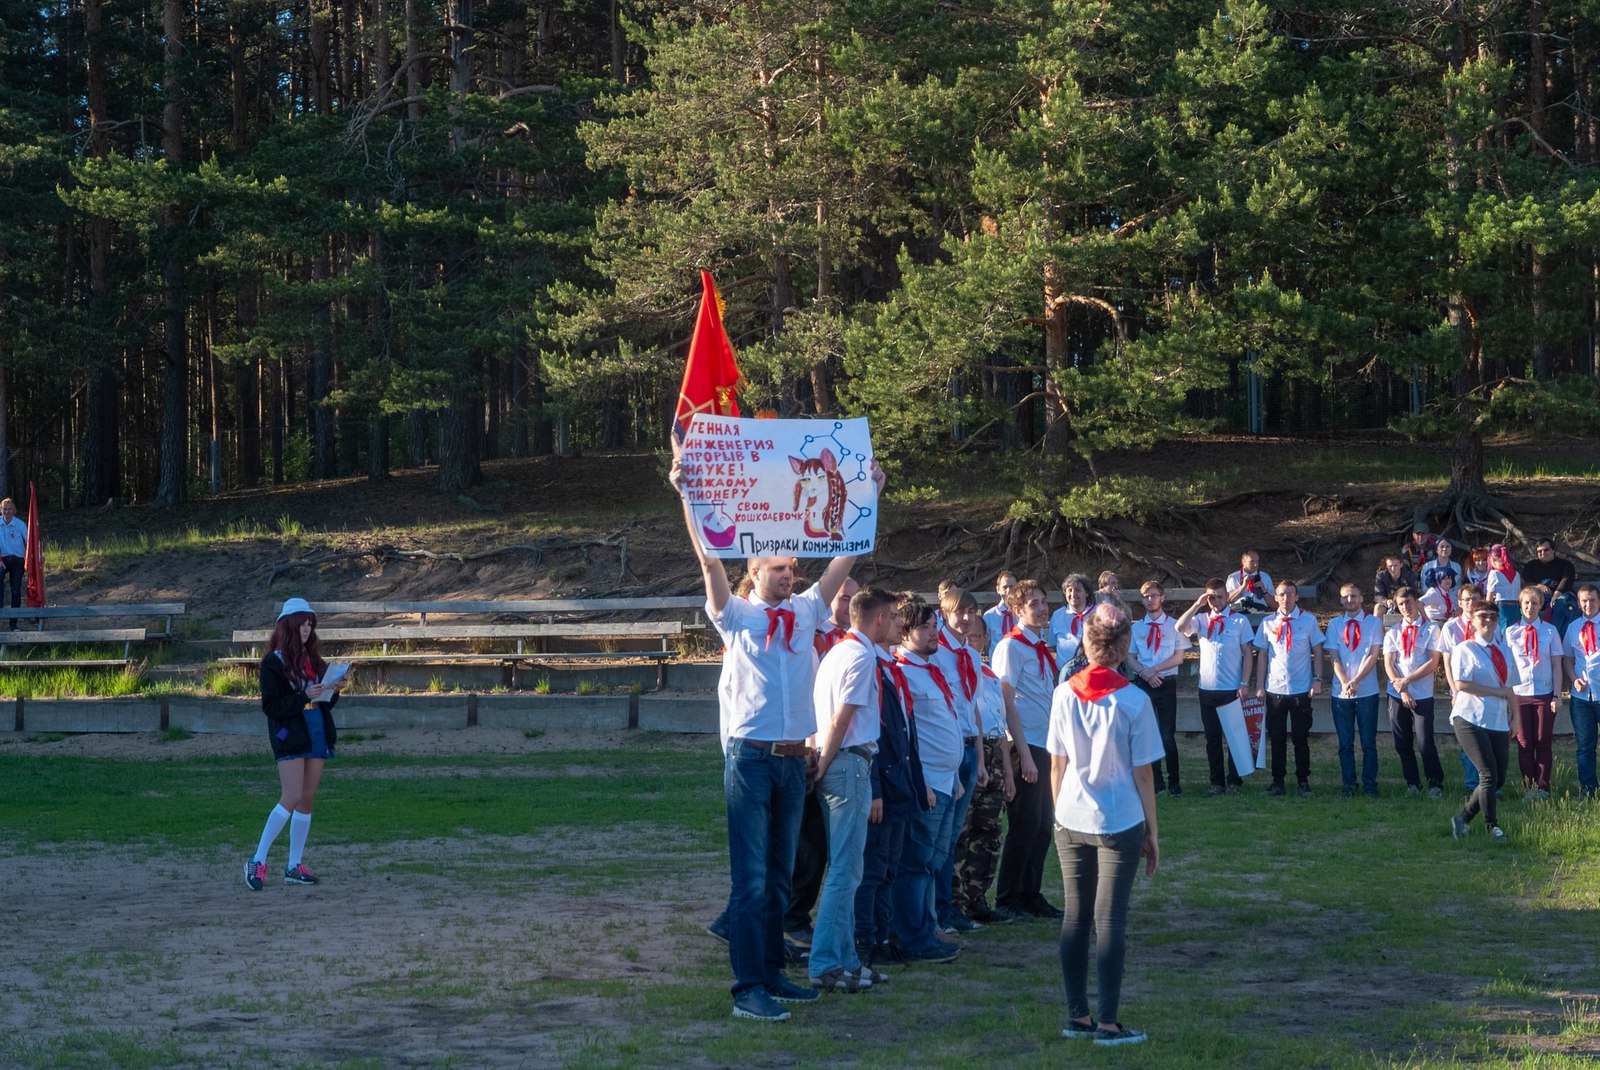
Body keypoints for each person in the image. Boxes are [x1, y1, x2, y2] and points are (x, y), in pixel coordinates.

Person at [668, 452, 882, 1022]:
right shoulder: (736, 615)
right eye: (779, 568)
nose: (790, 574)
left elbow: (849, 553)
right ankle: (749, 990)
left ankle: (773, 975)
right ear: (756, 571)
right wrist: (688, 495)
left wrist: (870, 496)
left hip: (794, 762)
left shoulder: (810, 611)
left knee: (781, 879)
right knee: (752, 880)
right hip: (751, 761)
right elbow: (709, 560)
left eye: (793, 567)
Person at [1048, 602, 1161, 1048]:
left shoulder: (1063, 693)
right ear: (1124, 645)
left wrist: (1060, 813)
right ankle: (1108, 1024)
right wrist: (1153, 831)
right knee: (1109, 919)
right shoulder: (1134, 699)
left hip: (1070, 816)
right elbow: (1144, 773)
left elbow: (1057, 765)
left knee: (1076, 916)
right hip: (1119, 817)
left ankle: (1078, 1015)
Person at [807, 585, 893, 993]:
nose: (895, 625)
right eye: (892, 618)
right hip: (847, 764)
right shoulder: (859, 656)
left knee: (847, 867)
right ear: (877, 619)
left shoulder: (837, 652)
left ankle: (848, 962)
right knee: (845, 869)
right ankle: (825, 961)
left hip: (837, 761)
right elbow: (842, 719)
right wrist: (824, 762)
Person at [245, 597, 348, 892]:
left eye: (310, 624)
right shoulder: (272, 663)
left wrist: (334, 689)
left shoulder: (314, 661)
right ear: (288, 625)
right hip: (287, 734)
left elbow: (324, 701)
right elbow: (271, 706)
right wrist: (305, 695)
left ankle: (294, 865)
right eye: (302, 623)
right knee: (290, 795)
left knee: (306, 798)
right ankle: (257, 859)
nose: (307, 629)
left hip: (315, 731)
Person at [785, 576, 860, 955]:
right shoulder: (816, 640)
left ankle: (799, 917)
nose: (846, 605)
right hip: (810, 746)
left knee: (822, 847)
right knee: (807, 843)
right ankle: (791, 919)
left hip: (832, 749)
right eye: (842, 597)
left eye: (852, 599)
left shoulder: (853, 645)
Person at [890, 598, 965, 963]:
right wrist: (922, 782)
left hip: (945, 779)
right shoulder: (903, 671)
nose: (934, 632)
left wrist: (954, 777)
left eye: (935, 625)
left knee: (934, 860)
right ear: (904, 633)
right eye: (925, 627)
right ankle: (912, 935)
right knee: (917, 861)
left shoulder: (930, 669)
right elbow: (908, 735)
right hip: (928, 783)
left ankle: (925, 926)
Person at [854, 598, 925, 968]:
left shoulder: (890, 669)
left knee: (890, 868)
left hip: (901, 784)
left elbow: (905, 733)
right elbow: (871, 734)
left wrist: (916, 783)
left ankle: (884, 935)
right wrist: (876, 790)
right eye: (895, 617)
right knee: (873, 868)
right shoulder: (870, 665)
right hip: (883, 783)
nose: (900, 623)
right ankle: (865, 939)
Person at [991, 578, 1054, 920]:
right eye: (1034, 603)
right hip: (1023, 744)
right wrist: (1024, 753)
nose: (1042, 608)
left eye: (1044, 601)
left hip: (1044, 744)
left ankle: (1031, 893)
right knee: (1025, 823)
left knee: (1043, 826)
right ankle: (1008, 897)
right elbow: (1006, 701)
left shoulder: (1038, 646)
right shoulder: (1011, 647)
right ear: (1017, 610)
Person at [952, 615, 1017, 925]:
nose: (973, 641)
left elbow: (1000, 726)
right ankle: (956, 900)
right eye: (969, 636)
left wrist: (1007, 767)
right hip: (972, 754)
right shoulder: (955, 671)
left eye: (978, 637)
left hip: (994, 750)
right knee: (962, 832)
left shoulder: (990, 675)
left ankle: (978, 896)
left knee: (988, 831)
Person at [932, 588, 988, 934]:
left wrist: (980, 759)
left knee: (953, 836)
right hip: (945, 749)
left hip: (968, 748)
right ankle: (936, 909)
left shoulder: (970, 653)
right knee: (939, 836)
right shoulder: (935, 651)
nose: (965, 617)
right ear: (944, 612)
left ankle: (947, 906)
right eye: (959, 611)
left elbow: (974, 709)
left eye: (971, 611)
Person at [1174, 579, 1254, 796]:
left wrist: (1244, 682)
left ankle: (1234, 782)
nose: (1216, 601)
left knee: (1234, 737)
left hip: (1231, 688)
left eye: (1219, 596)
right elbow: (1179, 627)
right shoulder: (1200, 619)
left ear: (1227, 596)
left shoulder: (1239, 621)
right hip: (1207, 689)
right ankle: (1216, 782)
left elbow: (1247, 653)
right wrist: (1197, 605)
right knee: (1212, 738)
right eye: (1211, 597)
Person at [1448, 605, 1520, 841]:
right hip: (1470, 717)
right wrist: (1496, 692)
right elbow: (1461, 684)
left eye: (1492, 616)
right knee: (1487, 774)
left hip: (1497, 719)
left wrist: (1516, 717)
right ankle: (1493, 828)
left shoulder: (1505, 651)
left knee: (1498, 778)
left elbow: (1510, 690)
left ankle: (1462, 819)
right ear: (1473, 620)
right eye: (1482, 616)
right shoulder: (1465, 648)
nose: (1488, 620)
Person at [1252, 580, 1324, 797]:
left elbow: (1318, 651)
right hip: (1275, 690)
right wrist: (1259, 685)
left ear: (1297, 597)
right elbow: (1262, 655)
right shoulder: (1267, 622)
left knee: (1301, 738)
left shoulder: (1309, 621)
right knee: (1277, 738)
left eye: (1290, 594)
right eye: (1282, 594)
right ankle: (1277, 782)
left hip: (1301, 689)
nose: (1286, 598)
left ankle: (1303, 782)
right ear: (1276, 597)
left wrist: (1317, 679)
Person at [1125, 581, 1190, 796]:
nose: (1150, 599)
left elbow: (1179, 658)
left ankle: (1174, 782)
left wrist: (1153, 670)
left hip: (1165, 683)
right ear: (1142, 599)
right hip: (1143, 684)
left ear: (1162, 597)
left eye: (1154, 595)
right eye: (1146, 596)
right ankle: (1156, 782)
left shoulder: (1175, 625)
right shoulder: (1136, 627)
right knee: (1146, 736)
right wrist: (1145, 673)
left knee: (1167, 736)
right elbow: (1130, 657)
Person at [1382, 588, 1444, 798]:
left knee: (1425, 741)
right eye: (1401, 604)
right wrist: (1401, 688)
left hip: (1422, 693)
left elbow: (1433, 662)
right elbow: (1389, 663)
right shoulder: (1393, 632)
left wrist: (1407, 681)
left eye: (1409, 602)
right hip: (1397, 693)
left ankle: (1435, 783)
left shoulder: (1431, 630)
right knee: (1402, 741)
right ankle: (1413, 783)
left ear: (1417, 602)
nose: (1406, 608)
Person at [1506, 588, 1563, 801]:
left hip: (1544, 694)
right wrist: (1508, 697)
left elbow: (1557, 665)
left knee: (1543, 741)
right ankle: (1528, 788)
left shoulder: (1550, 631)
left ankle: (1543, 788)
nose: (1530, 608)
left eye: (1535, 603)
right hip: (1519, 694)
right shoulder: (1510, 632)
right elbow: (1508, 667)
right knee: (1524, 743)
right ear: (1520, 606)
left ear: (1541, 605)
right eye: (1526, 603)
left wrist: (1556, 696)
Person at [1327, 583, 1384, 797]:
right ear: (1341, 600)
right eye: (1345, 597)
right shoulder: (1334, 625)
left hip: (1367, 691)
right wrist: (1344, 682)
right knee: (1345, 743)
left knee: (1368, 742)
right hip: (1340, 693)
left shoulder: (1373, 623)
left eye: (1353, 596)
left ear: (1361, 598)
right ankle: (1348, 783)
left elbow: (1373, 655)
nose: (1349, 600)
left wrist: (1357, 681)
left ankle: (1370, 784)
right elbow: (1333, 656)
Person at [1437, 584, 1493, 794]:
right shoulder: (1451, 628)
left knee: (1488, 737)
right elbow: (1447, 661)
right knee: (1467, 740)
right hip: (1461, 691)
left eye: (1474, 599)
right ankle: (1473, 784)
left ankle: (1490, 783)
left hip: (1486, 690)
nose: (1470, 603)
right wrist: (1454, 690)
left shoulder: (1488, 625)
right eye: (1466, 599)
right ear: (1459, 602)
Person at [1562, 584, 1600, 801]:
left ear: (1599, 601)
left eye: (1592, 600)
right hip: (1582, 698)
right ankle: (1588, 790)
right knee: (1585, 746)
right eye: (1584, 600)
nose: (1588, 604)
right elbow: (1568, 659)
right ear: (1578, 603)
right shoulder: (1574, 627)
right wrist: (1574, 679)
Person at [1522, 539, 1577, 634]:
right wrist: (1538, 586)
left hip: (1562, 595)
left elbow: (1567, 579)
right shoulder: (1531, 565)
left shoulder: (1565, 564)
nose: (1543, 553)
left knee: (1563, 604)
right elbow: (1525, 583)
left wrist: (1556, 594)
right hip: (1540, 597)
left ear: (1553, 550)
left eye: (1546, 550)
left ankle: (1558, 635)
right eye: (1539, 551)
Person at [1049, 574, 1093, 677]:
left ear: (1086, 593)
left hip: (1092, 673)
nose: (1073, 594)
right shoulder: (1057, 615)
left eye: (1078, 590)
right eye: (1069, 590)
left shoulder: (1098, 613)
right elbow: (1053, 644)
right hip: (1065, 674)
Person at [0, 498, 26, 630]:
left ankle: (13, 623)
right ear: (1, 510)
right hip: (2, 559)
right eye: (4, 509)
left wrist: (36, 557)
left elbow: (30, 542)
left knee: (15, 590)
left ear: (14, 510)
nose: (7, 511)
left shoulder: (20, 525)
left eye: (9, 509)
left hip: (18, 560)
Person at [1484, 544, 1523, 630]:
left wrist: (1486, 611)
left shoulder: (1494, 573)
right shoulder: (1517, 574)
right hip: (1516, 609)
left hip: (1501, 609)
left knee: (1502, 635)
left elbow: (1489, 597)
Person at [982, 571, 1018, 658]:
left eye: (1012, 587)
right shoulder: (989, 616)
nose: (1008, 590)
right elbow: (987, 644)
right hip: (997, 664)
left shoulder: (1023, 614)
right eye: (1005, 587)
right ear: (998, 589)